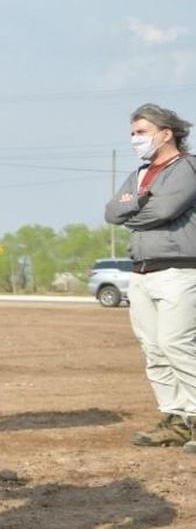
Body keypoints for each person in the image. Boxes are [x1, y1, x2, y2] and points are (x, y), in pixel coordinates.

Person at [106, 103, 196, 453]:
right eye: (133, 133)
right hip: (142, 272)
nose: (135, 140)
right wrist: (138, 202)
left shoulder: (187, 167)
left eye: (141, 132)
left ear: (166, 133)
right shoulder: (142, 172)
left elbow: (165, 210)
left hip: (179, 270)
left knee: (177, 344)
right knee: (154, 348)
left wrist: (134, 209)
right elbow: (112, 211)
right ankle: (174, 419)